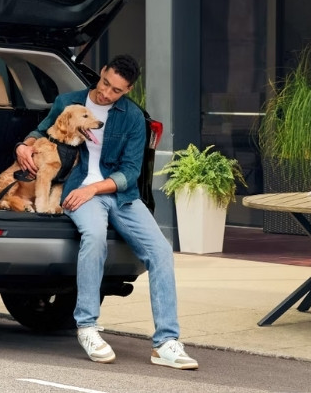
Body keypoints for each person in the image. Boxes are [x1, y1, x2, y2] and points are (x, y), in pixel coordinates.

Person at [14, 55, 197, 370]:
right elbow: (41, 131)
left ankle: (166, 343)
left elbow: (131, 172)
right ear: (101, 73)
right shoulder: (68, 103)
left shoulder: (133, 118)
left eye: (116, 91)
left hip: (119, 195)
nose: (106, 94)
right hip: (77, 189)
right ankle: (87, 327)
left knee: (161, 252)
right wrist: (24, 145)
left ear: (127, 91)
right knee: (95, 236)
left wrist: (95, 188)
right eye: (105, 84)